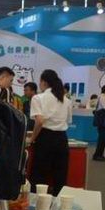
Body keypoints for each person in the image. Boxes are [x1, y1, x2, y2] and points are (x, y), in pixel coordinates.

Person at [29, 69, 72, 197]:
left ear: (44, 82)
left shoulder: (38, 98)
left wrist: (32, 138)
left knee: (39, 175)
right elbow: (68, 121)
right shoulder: (66, 100)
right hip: (62, 139)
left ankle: (36, 205)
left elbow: (40, 121)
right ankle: (58, 205)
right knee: (60, 176)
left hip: (45, 138)